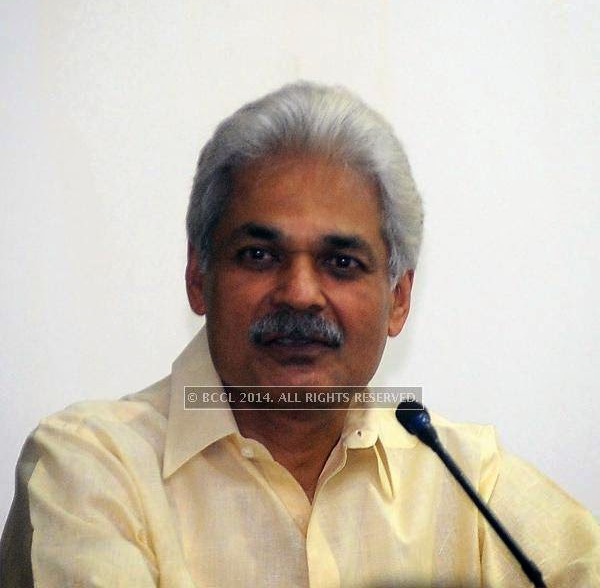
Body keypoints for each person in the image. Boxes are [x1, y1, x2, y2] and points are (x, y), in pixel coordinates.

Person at [1, 82, 598, 587]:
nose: (300, 293)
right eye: (259, 254)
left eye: (341, 263)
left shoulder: (468, 482)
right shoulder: (92, 466)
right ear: (197, 277)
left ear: (398, 298)